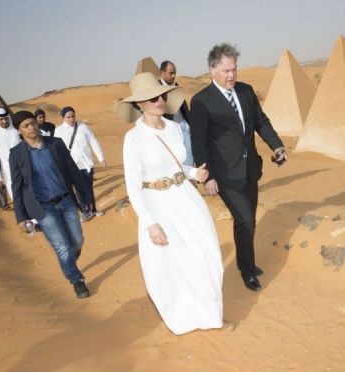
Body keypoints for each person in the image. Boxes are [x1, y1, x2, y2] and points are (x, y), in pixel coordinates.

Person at [119, 72, 223, 335]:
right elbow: (133, 187)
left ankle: (208, 313)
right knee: (171, 263)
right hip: (157, 205)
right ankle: (183, 316)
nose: (159, 100)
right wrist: (151, 224)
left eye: (160, 95)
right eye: (151, 98)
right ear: (138, 105)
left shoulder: (176, 128)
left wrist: (193, 174)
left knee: (205, 252)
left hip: (186, 198)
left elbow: (181, 165)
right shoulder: (133, 139)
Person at [190, 43, 287, 291]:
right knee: (245, 219)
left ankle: (247, 262)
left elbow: (261, 122)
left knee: (247, 219)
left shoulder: (245, 91)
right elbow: (198, 142)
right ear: (212, 69)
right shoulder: (201, 101)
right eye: (225, 70)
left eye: (234, 69)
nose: (231, 75)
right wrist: (207, 176)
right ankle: (246, 270)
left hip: (250, 169)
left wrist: (276, 146)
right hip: (223, 176)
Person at [9, 111, 93, 298]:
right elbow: (17, 185)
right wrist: (21, 216)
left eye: (32, 123)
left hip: (66, 201)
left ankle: (69, 261)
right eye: (26, 126)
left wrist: (86, 197)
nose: (32, 128)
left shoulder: (56, 144)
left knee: (77, 240)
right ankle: (76, 280)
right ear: (19, 131)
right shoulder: (16, 154)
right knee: (62, 247)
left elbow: (73, 171)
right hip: (43, 208)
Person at [54, 106, 106, 221]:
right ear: (63, 118)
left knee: (88, 187)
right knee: (78, 189)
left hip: (86, 163)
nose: (71, 119)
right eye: (68, 117)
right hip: (72, 165)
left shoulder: (83, 127)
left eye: (73, 116)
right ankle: (85, 211)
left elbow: (93, 140)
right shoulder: (58, 131)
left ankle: (93, 209)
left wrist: (101, 157)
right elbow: (56, 149)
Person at [159, 60, 193, 165]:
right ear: (162, 73)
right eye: (171, 73)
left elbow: (184, 105)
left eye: (175, 73)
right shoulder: (156, 89)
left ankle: (189, 179)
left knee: (189, 153)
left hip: (183, 125)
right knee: (175, 156)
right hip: (170, 128)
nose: (174, 76)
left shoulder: (176, 85)